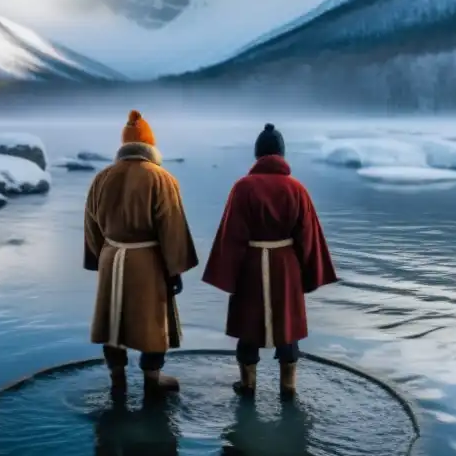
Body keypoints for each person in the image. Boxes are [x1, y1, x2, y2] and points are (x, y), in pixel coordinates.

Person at [202, 123, 337, 398]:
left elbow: (231, 235)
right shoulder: (296, 189)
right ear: (282, 154)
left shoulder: (242, 188)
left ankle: (248, 385)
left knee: (248, 326)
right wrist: (311, 274)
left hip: (251, 265)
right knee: (287, 327)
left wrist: (226, 273)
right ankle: (288, 388)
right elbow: (308, 236)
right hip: (286, 267)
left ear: (257, 155)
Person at [84, 110, 198, 395]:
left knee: (112, 321)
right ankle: (152, 380)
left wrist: (100, 258)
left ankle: (117, 380)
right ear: (150, 146)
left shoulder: (101, 178)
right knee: (153, 323)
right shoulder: (161, 178)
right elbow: (172, 226)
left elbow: (91, 224)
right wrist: (176, 269)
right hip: (147, 260)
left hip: (112, 256)